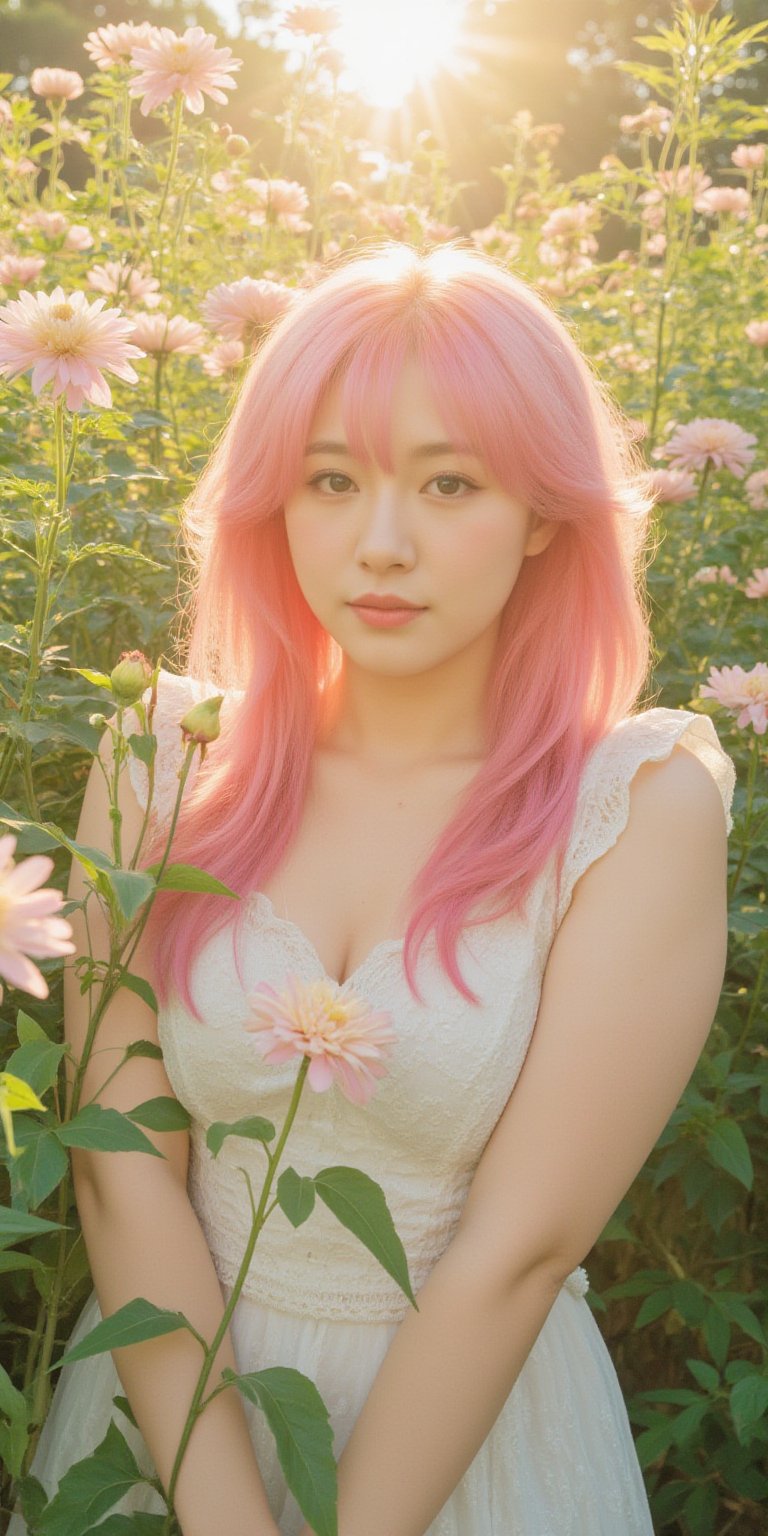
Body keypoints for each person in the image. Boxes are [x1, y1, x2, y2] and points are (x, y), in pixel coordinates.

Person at [10, 241, 736, 1536]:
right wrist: (224, 1518)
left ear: (545, 513)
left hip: (471, 1452)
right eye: (331, 480)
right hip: (167, 1430)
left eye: (449, 482)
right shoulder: (164, 758)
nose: (381, 544)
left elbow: (522, 1252)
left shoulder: (635, 810)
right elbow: (126, 1175)